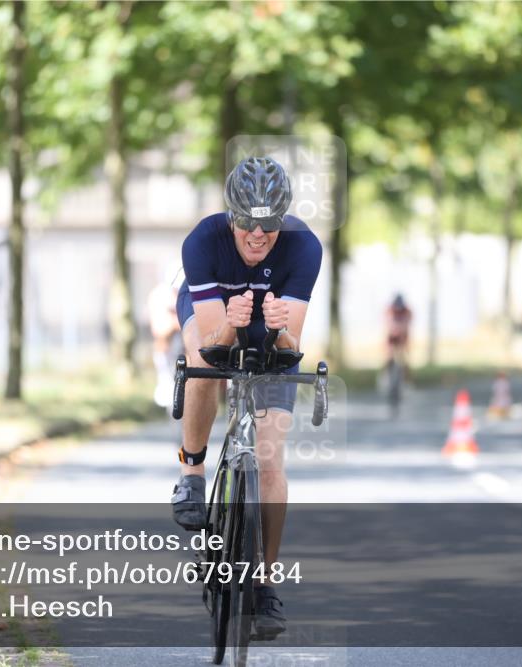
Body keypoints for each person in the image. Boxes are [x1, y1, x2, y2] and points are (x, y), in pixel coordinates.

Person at [170, 156, 322, 640]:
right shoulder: (203, 241)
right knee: (201, 361)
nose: (258, 235)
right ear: (231, 216)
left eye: (269, 225)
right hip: (215, 317)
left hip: (270, 332)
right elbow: (213, 345)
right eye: (247, 224)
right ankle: (192, 473)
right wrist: (232, 323)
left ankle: (264, 585)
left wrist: (279, 329)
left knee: (270, 460)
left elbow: (290, 349)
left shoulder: (304, 247)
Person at [148, 267, 184, 412]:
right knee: (168, 380)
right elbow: (160, 328)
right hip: (167, 346)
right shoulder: (160, 296)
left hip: (181, 346)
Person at [385, 293, 413, 368]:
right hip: (392, 334)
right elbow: (388, 323)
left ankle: (406, 371)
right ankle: (388, 367)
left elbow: (407, 323)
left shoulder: (407, 311)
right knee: (389, 353)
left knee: (404, 355)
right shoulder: (390, 310)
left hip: (403, 335)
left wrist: (401, 331)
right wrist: (394, 330)